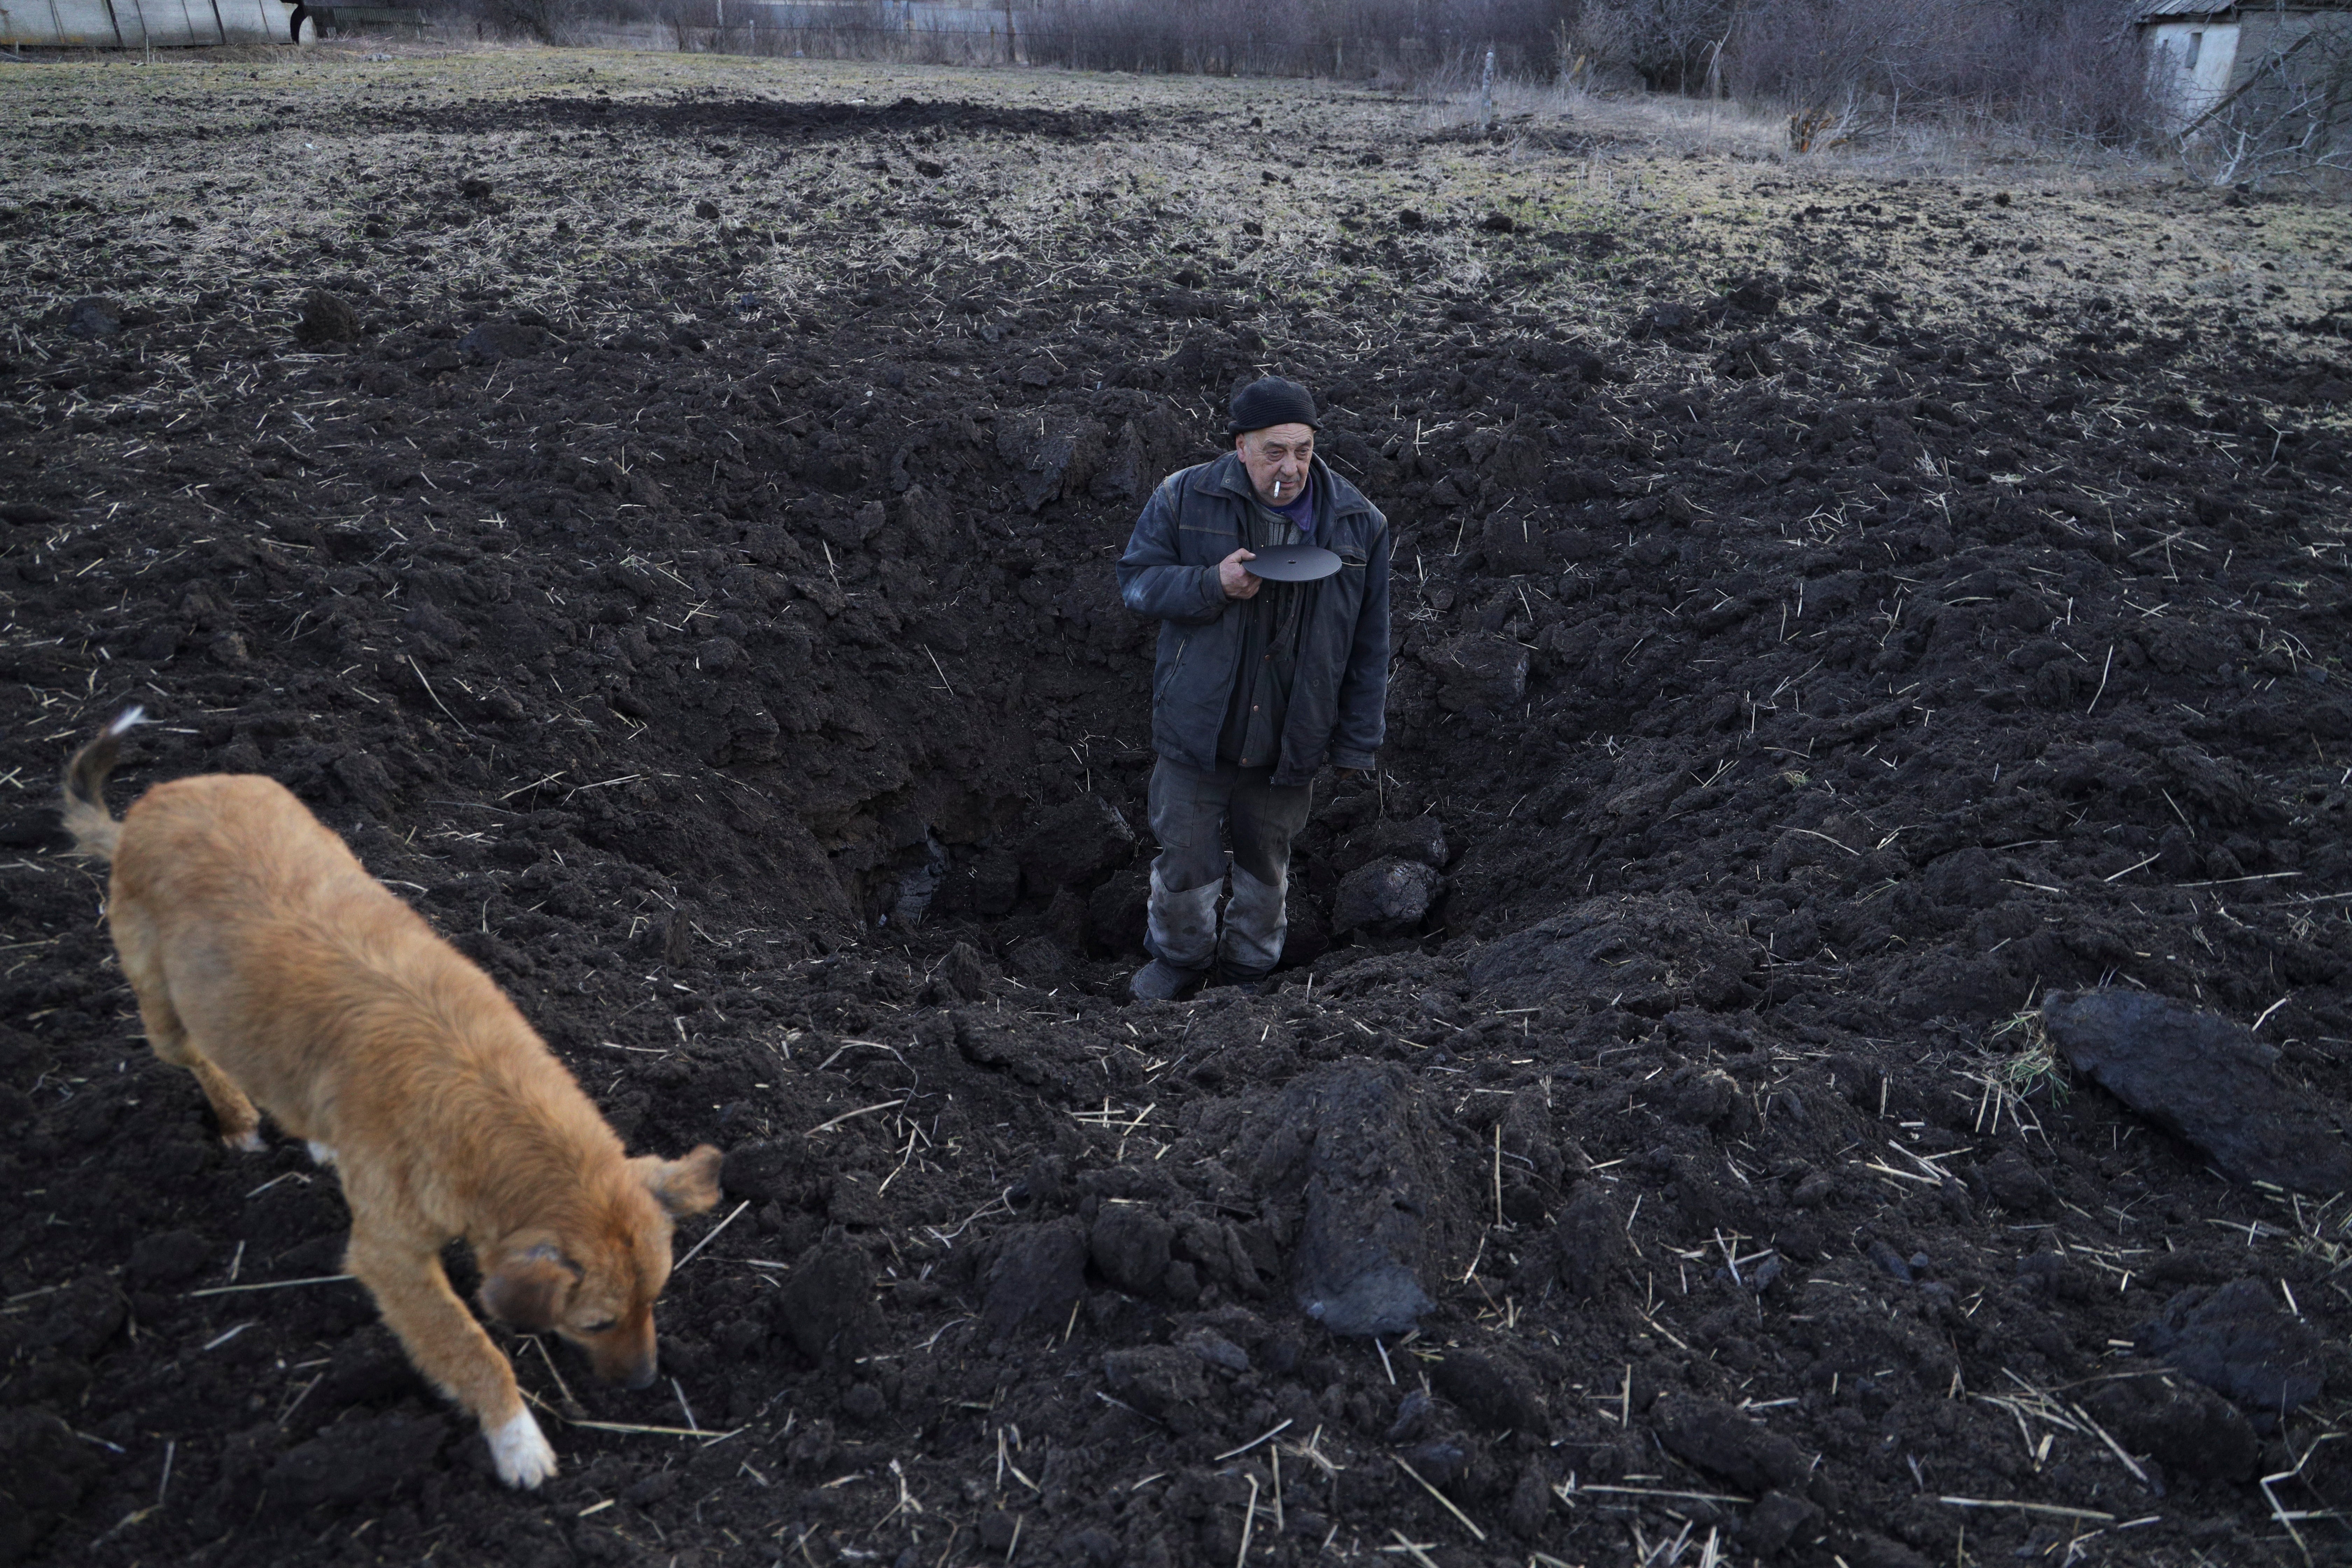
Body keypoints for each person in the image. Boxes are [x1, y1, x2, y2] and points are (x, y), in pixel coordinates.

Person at [1114, 377, 1392, 1001]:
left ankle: (1248, 972)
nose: (1290, 467)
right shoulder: (1185, 497)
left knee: (1266, 862)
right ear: (1241, 446)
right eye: (1274, 451)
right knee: (1185, 858)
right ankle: (1180, 961)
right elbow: (1136, 584)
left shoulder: (1358, 522)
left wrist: (1355, 744)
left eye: (1303, 450)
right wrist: (1211, 584)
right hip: (1200, 722)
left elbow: (1371, 646)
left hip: (1290, 733)